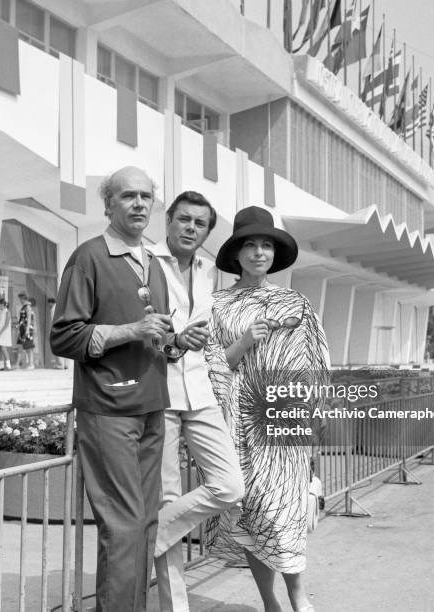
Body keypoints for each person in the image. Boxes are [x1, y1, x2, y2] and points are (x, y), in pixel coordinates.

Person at [50, 166, 174, 612]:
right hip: (109, 408)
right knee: (122, 525)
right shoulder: (88, 257)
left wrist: (172, 341)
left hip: (152, 404)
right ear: (108, 205)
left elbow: (151, 333)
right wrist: (130, 330)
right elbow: (63, 337)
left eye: (146, 196)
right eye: (128, 196)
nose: (139, 204)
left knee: (145, 523)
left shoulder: (154, 264)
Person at [204, 206, 329, 612]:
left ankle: (298, 595)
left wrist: (314, 418)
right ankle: (269, 601)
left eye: (266, 245)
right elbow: (210, 367)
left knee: (285, 509)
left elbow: (315, 363)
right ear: (236, 254)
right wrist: (242, 342)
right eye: (250, 245)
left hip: (284, 419)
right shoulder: (216, 306)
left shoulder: (297, 304)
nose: (259, 252)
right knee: (253, 512)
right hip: (237, 422)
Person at [149, 191, 244, 612]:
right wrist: (173, 341)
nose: (190, 228)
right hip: (159, 390)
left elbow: (206, 337)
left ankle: (149, 534)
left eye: (199, 223)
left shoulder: (205, 270)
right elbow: (142, 327)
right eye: (183, 219)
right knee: (168, 499)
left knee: (229, 485)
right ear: (168, 221)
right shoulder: (146, 262)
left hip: (200, 391)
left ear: (207, 230)